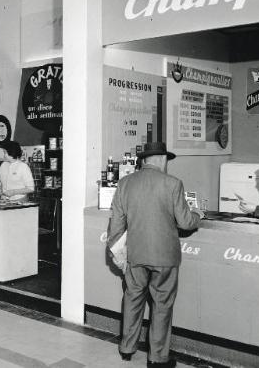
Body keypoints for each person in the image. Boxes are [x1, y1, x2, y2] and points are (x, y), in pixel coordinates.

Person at [108, 142, 204, 368]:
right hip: (164, 257)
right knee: (162, 305)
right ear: (161, 159)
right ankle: (157, 358)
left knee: (132, 299)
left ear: (143, 161)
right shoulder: (173, 184)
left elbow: (116, 226)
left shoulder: (125, 183)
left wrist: (117, 254)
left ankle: (127, 349)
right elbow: (185, 222)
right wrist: (199, 214)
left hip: (135, 254)